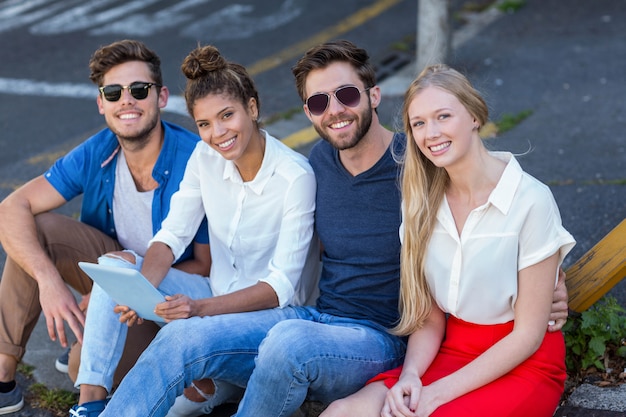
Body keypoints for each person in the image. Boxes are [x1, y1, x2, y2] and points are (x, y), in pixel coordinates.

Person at [98, 40, 570, 417]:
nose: (335, 110)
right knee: (185, 335)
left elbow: (489, 200)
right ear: (308, 113)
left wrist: (553, 280)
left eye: (346, 94)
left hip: (382, 338)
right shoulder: (316, 164)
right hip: (318, 320)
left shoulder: (419, 163)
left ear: (373, 95)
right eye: (319, 101)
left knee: (288, 344)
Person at [73, 44, 319, 417]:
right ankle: (90, 404)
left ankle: (213, 384)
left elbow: (280, 287)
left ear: (252, 108)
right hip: (214, 296)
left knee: (180, 339)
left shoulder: (295, 177)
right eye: (204, 124)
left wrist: (198, 309)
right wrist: (142, 289)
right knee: (115, 267)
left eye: (227, 116)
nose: (218, 133)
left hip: (275, 320)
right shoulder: (205, 158)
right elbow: (172, 235)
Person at [320, 64, 576, 417]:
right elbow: (429, 317)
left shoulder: (530, 200)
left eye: (443, 116)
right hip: (447, 350)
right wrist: (411, 376)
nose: (432, 133)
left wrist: (436, 394)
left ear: (473, 115)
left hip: (522, 361)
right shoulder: (420, 203)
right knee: (342, 412)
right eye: (419, 123)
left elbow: (528, 335)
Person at [0, 39, 211, 416]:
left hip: (164, 300)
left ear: (161, 97)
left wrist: (120, 288)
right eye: (113, 92)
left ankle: (95, 353)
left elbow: (207, 267)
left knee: (83, 368)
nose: (126, 101)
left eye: (139, 90)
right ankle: (2, 375)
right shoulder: (99, 151)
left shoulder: (194, 161)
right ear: (101, 103)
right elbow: (11, 207)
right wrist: (50, 283)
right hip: (114, 275)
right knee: (34, 228)